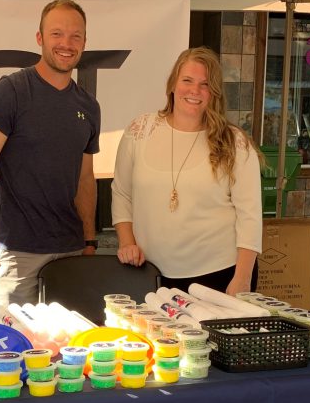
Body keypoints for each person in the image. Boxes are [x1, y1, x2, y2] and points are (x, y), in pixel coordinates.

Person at [0, 0, 100, 312]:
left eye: (75, 36)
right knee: (15, 347)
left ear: (84, 43)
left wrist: (90, 241)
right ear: (39, 38)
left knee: (67, 347)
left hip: (70, 250)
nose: (66, 43)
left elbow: (85, 178)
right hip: (17, 252)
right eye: (57, 34)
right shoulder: (10, 93)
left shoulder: (88, 106)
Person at [112, 47, 263, 295]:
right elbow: (121, 193)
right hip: (150, 274)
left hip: (220, 275)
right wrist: (127, 241)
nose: (195, 91)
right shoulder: (139, 130)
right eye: (187, 80)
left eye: (205, 84)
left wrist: (243, 279)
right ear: (172, 84)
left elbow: (250, 216)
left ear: (214, 92)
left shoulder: (234, 142)